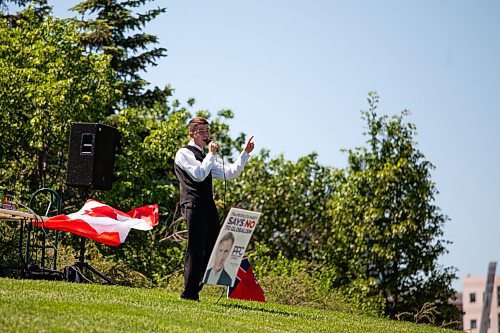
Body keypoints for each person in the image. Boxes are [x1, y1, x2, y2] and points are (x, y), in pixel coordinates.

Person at [174, 117, 254, 301]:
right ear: (192, 133)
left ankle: (196, 287)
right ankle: (189, 293)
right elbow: (199, 175)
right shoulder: (183, 153)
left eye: (207, 131)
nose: (206, 135)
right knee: (195, 248)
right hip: (193, 204)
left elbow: (230, 173)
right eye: (201, 131)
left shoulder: (206, 157)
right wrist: (211, 155)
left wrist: (245, 153)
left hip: (208, 206)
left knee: (212, 248)